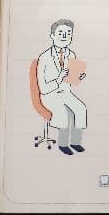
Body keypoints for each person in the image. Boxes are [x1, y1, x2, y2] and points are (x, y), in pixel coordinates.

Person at [36, 19, 88, 156]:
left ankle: (76, 142)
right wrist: (59, 79)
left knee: (80, 108)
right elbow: (43, 88)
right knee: (64, 112)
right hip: (49, 94)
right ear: (52, 35)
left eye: (68, 33)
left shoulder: (71, 55)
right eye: (61, 33)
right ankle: (63, 144)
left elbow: (70, 82)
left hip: (65, 92)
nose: (65, 36)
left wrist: (77, 77)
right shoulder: (44, 57)